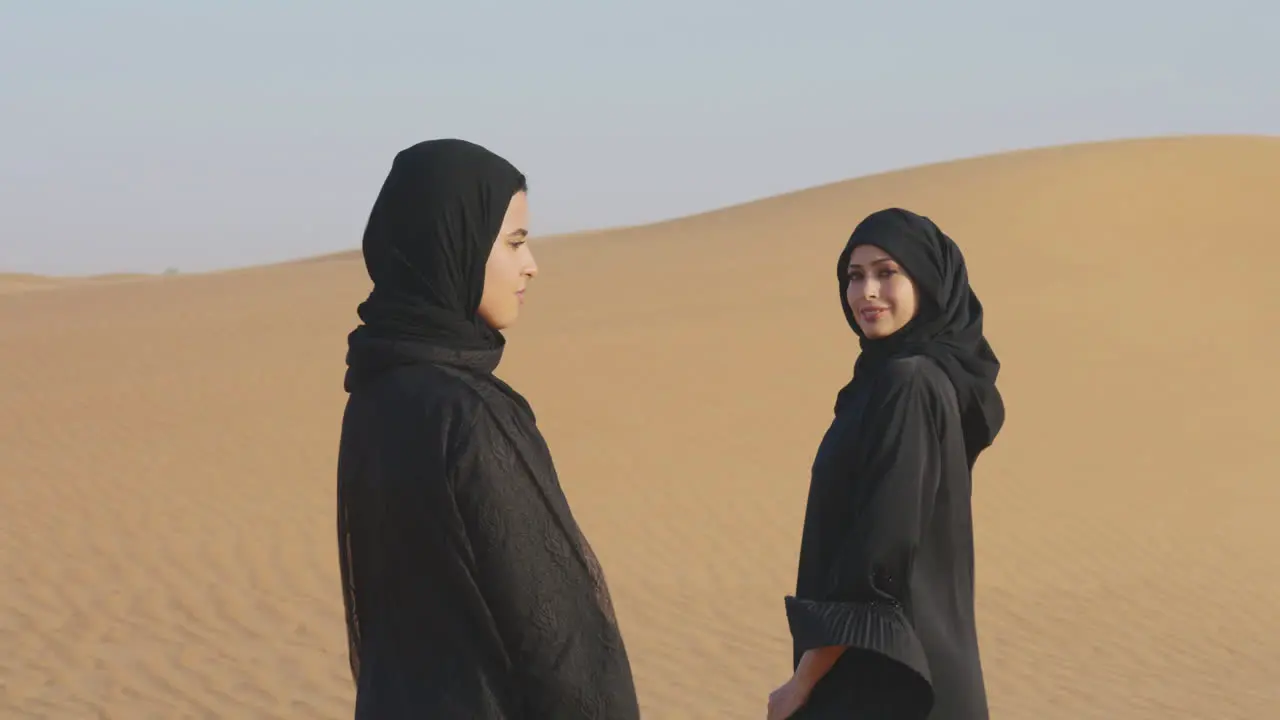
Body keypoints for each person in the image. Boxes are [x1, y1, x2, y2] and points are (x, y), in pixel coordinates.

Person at [336, 138, 641, 719]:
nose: (531, 264)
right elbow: (557, 630)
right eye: (514, 242)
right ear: (454, 244)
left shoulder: (376, 390)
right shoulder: (470, 411)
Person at [768, 208, 1005, 720]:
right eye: (854, 277)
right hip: (895, 668)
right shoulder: (890, 382)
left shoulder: (910, 384)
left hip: (893, 682)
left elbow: (880, 559)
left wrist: (802, 682)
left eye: (886, 272)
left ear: (927, 280)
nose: (867, 291)